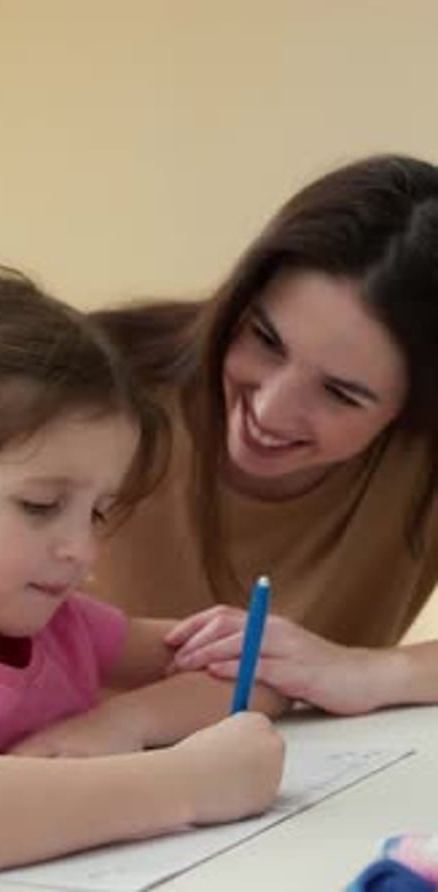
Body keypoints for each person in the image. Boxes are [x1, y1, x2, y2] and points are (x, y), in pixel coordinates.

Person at [0, 264, 284, 879]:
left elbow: (252, 669)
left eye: (98, 512)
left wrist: (122, 721)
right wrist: (185, 783)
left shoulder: (64, 627)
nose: (81, 549)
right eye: (39, 506)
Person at [90, 153, 438, 717]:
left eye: (341, 394)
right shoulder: (96, 387)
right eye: (266, 340)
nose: (271, 411)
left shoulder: (420, 456)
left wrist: (367, 672)